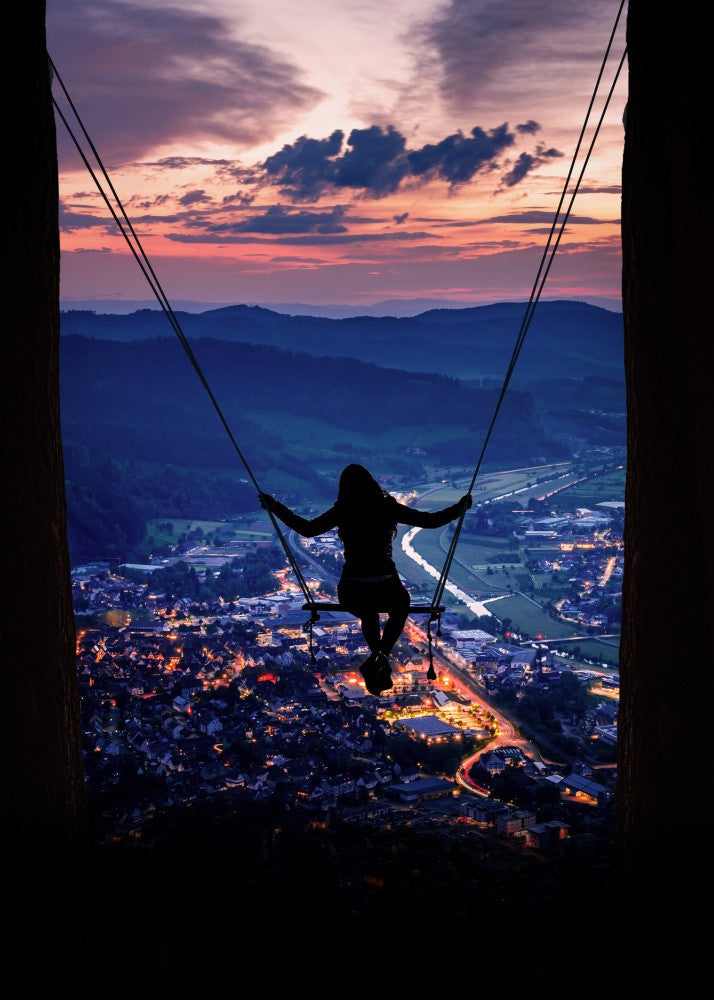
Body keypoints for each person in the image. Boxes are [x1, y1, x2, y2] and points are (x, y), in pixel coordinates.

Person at [259, 464, 472, 695]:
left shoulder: (344, 509)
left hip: (353, 586)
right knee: (400, 608)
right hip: (386, 585)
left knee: (368, 611)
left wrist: (275, 507)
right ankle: (380, 656)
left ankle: (379, 658)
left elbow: (307, 529)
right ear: (372, 483)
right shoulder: (386, 507)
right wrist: (459, 508)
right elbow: (431, 521)